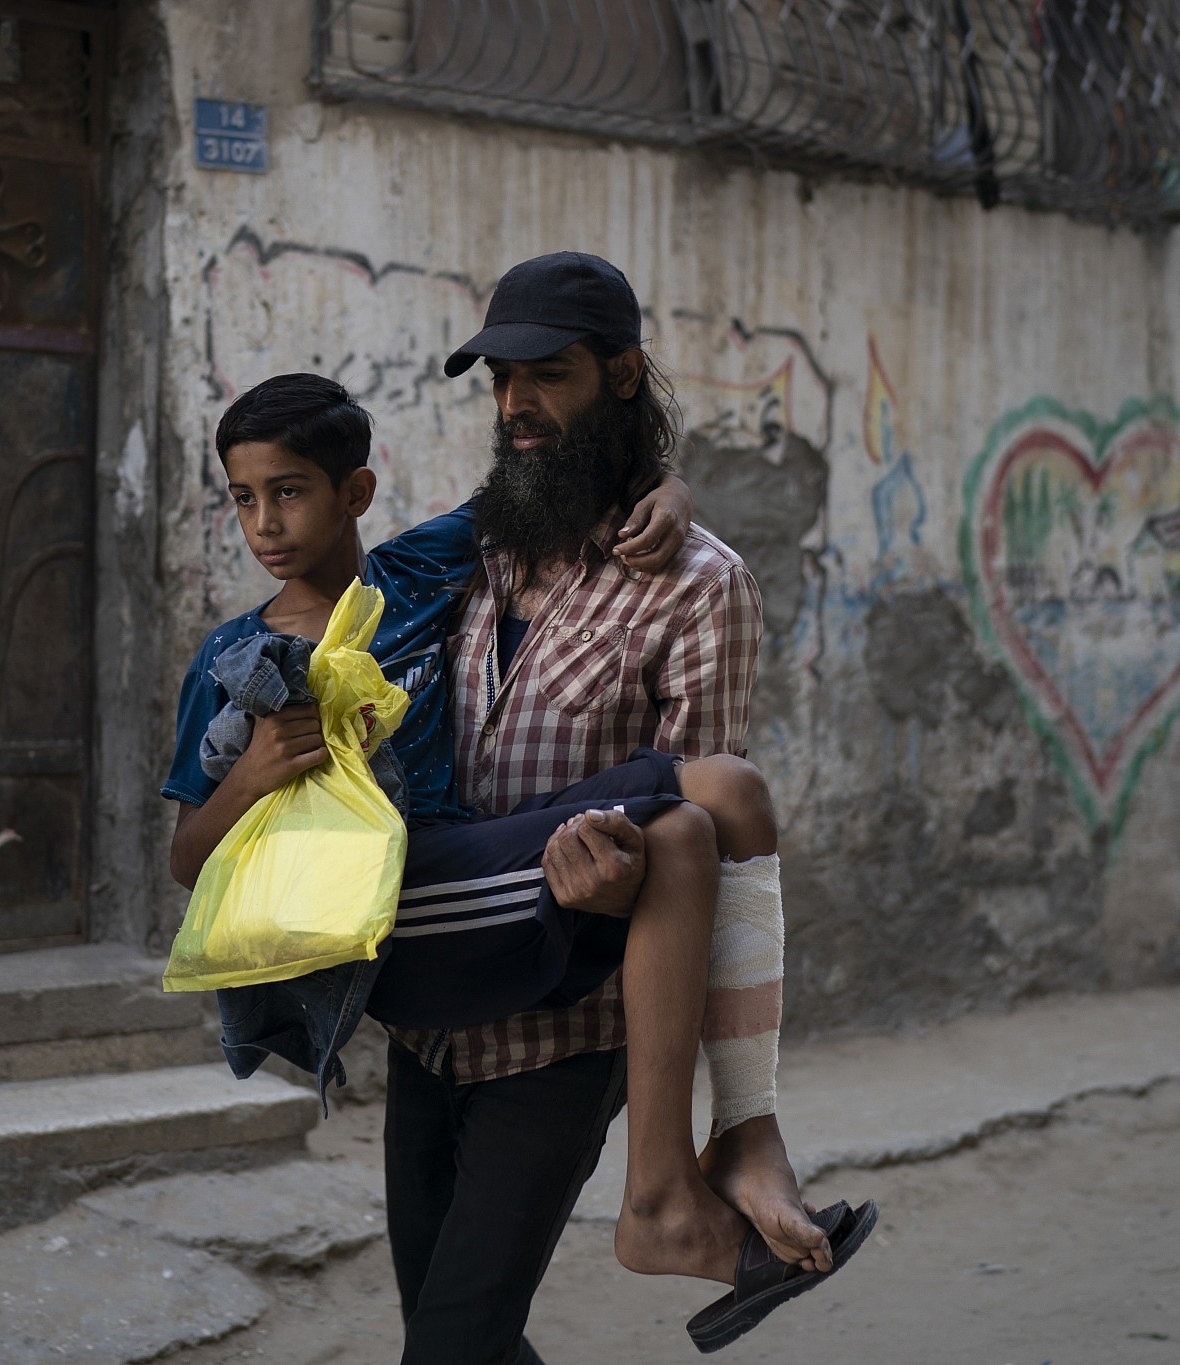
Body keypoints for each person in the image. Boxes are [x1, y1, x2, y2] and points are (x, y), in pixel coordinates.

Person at [378, 251, 871, 1362]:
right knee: (458, 1333)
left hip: (562, 1023)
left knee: (447, 1347)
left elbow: (700, 851)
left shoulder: (699, 585)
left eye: (547, 375)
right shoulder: (470, 550)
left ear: (622, 374)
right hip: (429, 1005)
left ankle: (692, 1179)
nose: (516, 404)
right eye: (500, 380)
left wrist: (618, 875)